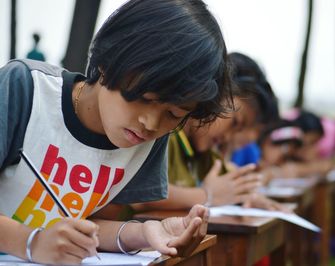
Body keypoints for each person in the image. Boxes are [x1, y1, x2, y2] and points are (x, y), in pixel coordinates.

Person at [0, 0, 232, 264]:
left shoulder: (146, 140)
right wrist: (31, 242)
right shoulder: (24, 89)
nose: (151, 123)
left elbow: (91, 229)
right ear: (107, 62)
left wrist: (145, 232)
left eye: (174, 114)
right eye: (145, 97)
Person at [131, 52, 286, 212]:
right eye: (235, 123)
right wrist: (207, 195)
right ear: (213, 93)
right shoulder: (164, 133)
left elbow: (231, 182)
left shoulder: (206, 154)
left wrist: (247, 196)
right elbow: (140, 194)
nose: (228, 137)